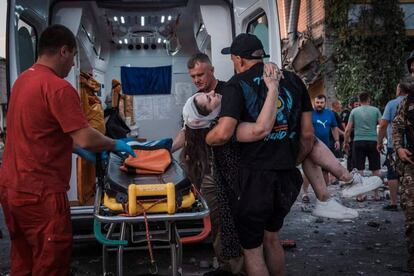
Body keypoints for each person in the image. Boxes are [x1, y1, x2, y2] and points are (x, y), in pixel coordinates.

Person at [0, 25, 135, 276]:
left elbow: (43, 133)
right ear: (63, 51)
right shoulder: (58, 88)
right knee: (51, 262)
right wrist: (114, 144)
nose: (73, 65)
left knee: (23, 258)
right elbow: (85, 137)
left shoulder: (22, 82)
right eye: (73, 57)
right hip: (41, 194)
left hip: (12, 190)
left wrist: (77, 150)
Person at [205, 33, 313, 276]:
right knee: (272, 238)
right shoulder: (294, 81)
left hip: (255, 178)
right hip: (287, 175)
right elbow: (307, 135)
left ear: (238, 59)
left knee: (252, 249)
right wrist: (293, 160)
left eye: (233, 60)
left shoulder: (236, 84)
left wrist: (206, 137)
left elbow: (223, 134)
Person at [172, 53, 241, 275]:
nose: (197, 80)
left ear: (211, 70)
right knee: (217, 220)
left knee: (231, 219)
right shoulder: (197, 100)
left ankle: (234, 267)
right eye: (193, 76)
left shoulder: (227, 94)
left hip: (230, 167)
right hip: (208, 169)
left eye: (200, 74)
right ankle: (225, 265)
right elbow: (186, 131)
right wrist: (164, 150)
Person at [392, 76, 414, 273]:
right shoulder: (407, 103)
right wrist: (399, 148)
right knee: (411, 215)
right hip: (411, 165)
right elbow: (396, 127)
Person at [344, 92, 382, 201]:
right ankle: (376, 194)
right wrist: (380, 141)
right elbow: (382, 125)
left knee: (359, 169)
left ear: (359, 101)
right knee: (375, 169)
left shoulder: (354, 111)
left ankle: (360, 195)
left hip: (358, 141)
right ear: (369, 99)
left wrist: (346, 142)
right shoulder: (375, 110)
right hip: (373, 141)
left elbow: (347, 130)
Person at [302, 94, 339, 199]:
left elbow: (334, 127)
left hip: (325, 147)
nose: (319, 105)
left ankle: (323, 195)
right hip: (310, 146)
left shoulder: (330, 113)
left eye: (321, 103)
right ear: (314, 102)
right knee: (308, 171)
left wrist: (337, 140)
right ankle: (305, 193)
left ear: (325, 103)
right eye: (317, 102)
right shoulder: (309, 113)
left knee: (324, 171)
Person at [377, 82, 407, 211]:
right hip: (411, 145)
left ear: (399, 91)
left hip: (394, 144)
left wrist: (379, 142)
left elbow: (383, 125)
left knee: (392, 173)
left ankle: (394, 203)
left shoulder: (392, 104)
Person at [340, 97, 360, 171]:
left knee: (355, 154)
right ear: (351, 104)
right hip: (349, 136)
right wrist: (347, 136)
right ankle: (350, 170)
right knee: (351, 154)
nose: (358, 105)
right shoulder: (346, 112)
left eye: (358, 104)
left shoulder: (357, 112)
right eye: (356, 104)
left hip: (356, 136)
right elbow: (343, 125)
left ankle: (354, 170)